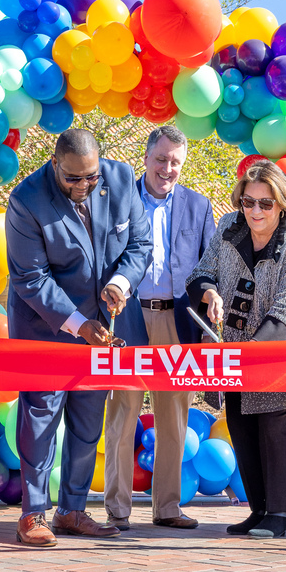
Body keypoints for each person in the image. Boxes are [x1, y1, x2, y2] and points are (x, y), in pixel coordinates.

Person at [5, 128, 152, 547]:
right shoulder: (26, 199)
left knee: (88, 424)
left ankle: (72, 509)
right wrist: (77, 324)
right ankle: (33, 514)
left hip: (106, 329)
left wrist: (120, 285)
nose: (84, 186)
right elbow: (30, 278)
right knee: (41, 422)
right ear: (55, 164)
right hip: (47, 331)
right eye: (73, 179)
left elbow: (140, 245)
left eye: (91, 177)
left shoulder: (122, 180)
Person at [186, 160, 286, 539]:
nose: (256, 211)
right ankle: (258, 509)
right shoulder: (228, 228)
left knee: (272, 423)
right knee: (240, 420)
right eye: (249, 202)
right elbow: (200, 273)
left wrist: (251, 351)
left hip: (283, 340)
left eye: (265, 204)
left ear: (281, 204)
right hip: (233, 340)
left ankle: (280, 514)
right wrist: (209, 291)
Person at [103, 125, 215, 532]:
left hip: (177, 319)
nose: (168, 168)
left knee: (174, 414)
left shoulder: (199, 207)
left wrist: (210, 301)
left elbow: (208, 266)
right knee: (123, 410)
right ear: (146, 158)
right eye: (162, 159)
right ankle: (117, 508)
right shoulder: (118, 201)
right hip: (129, 314)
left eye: (175, 162)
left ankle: (167, 506)